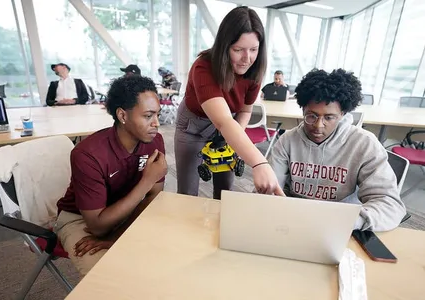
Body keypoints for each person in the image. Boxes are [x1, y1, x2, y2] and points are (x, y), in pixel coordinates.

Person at [269, 68, 406, 232]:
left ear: (342, 113)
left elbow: (389, 204)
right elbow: (269, 188)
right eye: (311, 116)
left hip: (342, 227)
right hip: (293, 223)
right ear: (303, 110)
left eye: (329, 117)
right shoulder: (287, 141)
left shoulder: (364, 144)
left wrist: (349, 221)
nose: (318, 125)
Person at [55, 75, 167, 275]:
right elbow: (98, 227)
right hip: (81, 218)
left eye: (158, 114)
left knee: (169, 253)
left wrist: (120, 236)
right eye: (148, 116)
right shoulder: (87, 154)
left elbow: (153, 197)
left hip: (129, 209)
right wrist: (147, 180)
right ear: (123, 116)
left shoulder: (154, 141)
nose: (156, 123)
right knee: (110, 276)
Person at [174, 6, 283, 200]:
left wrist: (235, 138)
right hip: (194, 126)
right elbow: (222, 121)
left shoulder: (255, 69)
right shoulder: (203, 66)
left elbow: (245, 110)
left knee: (226, 188)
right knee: (187, 193)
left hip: (229, 124)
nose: (246, 59)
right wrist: (259, 163)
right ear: (225, 46)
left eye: (253, 50)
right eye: (238, 49)